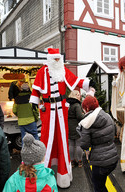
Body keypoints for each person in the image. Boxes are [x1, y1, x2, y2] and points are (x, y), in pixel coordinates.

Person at [29, 48, 95, 188]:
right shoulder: (42, 71)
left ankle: (63, 176)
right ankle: (42, 177)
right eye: (55, 59)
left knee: (63, 141)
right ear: (50, 59)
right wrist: (34, 102)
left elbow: (76, 81)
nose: (57, 61)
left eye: (59, 59)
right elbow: (36, 89)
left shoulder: (63, 70)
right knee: (46, 140)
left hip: (61, 110)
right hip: (47, 111)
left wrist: (88, 83)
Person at [79, 96, 118, 192]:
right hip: (113, 157)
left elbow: (84, 144)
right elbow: (115, 130)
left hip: (100, 161)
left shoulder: (86, 123)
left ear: (86, 108)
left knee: (98, 186)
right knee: (101, 183)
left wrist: (80, 131)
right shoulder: (107, 115)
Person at [67, 90, 84, 168]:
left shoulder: (68, 105)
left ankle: (72, 161)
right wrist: (85, 115)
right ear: (74, 95)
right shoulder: (77, 105)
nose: (79, 96)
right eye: (77, 95)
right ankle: (80, 161)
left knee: (71, 144)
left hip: (69, 126)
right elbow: (80, 117)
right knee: (78, 144)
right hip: (76, 126)